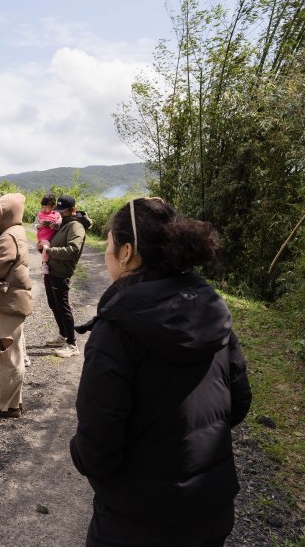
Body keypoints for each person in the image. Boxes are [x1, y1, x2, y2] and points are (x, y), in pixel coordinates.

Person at [69, 198, 252, 546]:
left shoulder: (117, 330)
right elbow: (238, 403)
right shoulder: (211, 310)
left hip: (136, 523)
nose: (107, 254)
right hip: (210, 513)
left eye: (108, 245)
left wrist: (78, 450)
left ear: (126, 252)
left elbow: (97, 450)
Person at [0, 193, 32, 418]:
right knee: (13, 353)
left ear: (8, 212)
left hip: (8, 303)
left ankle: (3, 405)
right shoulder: (15, 232)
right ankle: (12, 404)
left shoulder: (8, 237)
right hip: (13, 303)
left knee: (7, 356)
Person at [38, 194, 91, 358]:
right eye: (58, 210)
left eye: (63, 210)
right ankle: (63, 336)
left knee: (62, 306)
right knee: (53, 304)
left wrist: (50, 250)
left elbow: (73, 250)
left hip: (61, 272)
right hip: (51, 269)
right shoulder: (64, 223)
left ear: (72, 209)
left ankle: (72, 344)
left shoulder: (75, 226)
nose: (59, 213)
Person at [34, 194, 62, 276]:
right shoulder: (40, 214)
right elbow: (35, 224)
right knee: (47, 245)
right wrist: (39, 226)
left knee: (49, 246)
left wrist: (55, 225)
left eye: (46, 207)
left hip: (52, 237)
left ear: (53, 206)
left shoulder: (56, 214)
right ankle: (44, 264)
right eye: (42, 207)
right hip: (43, 237)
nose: (44, 209)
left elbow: (59, 223)